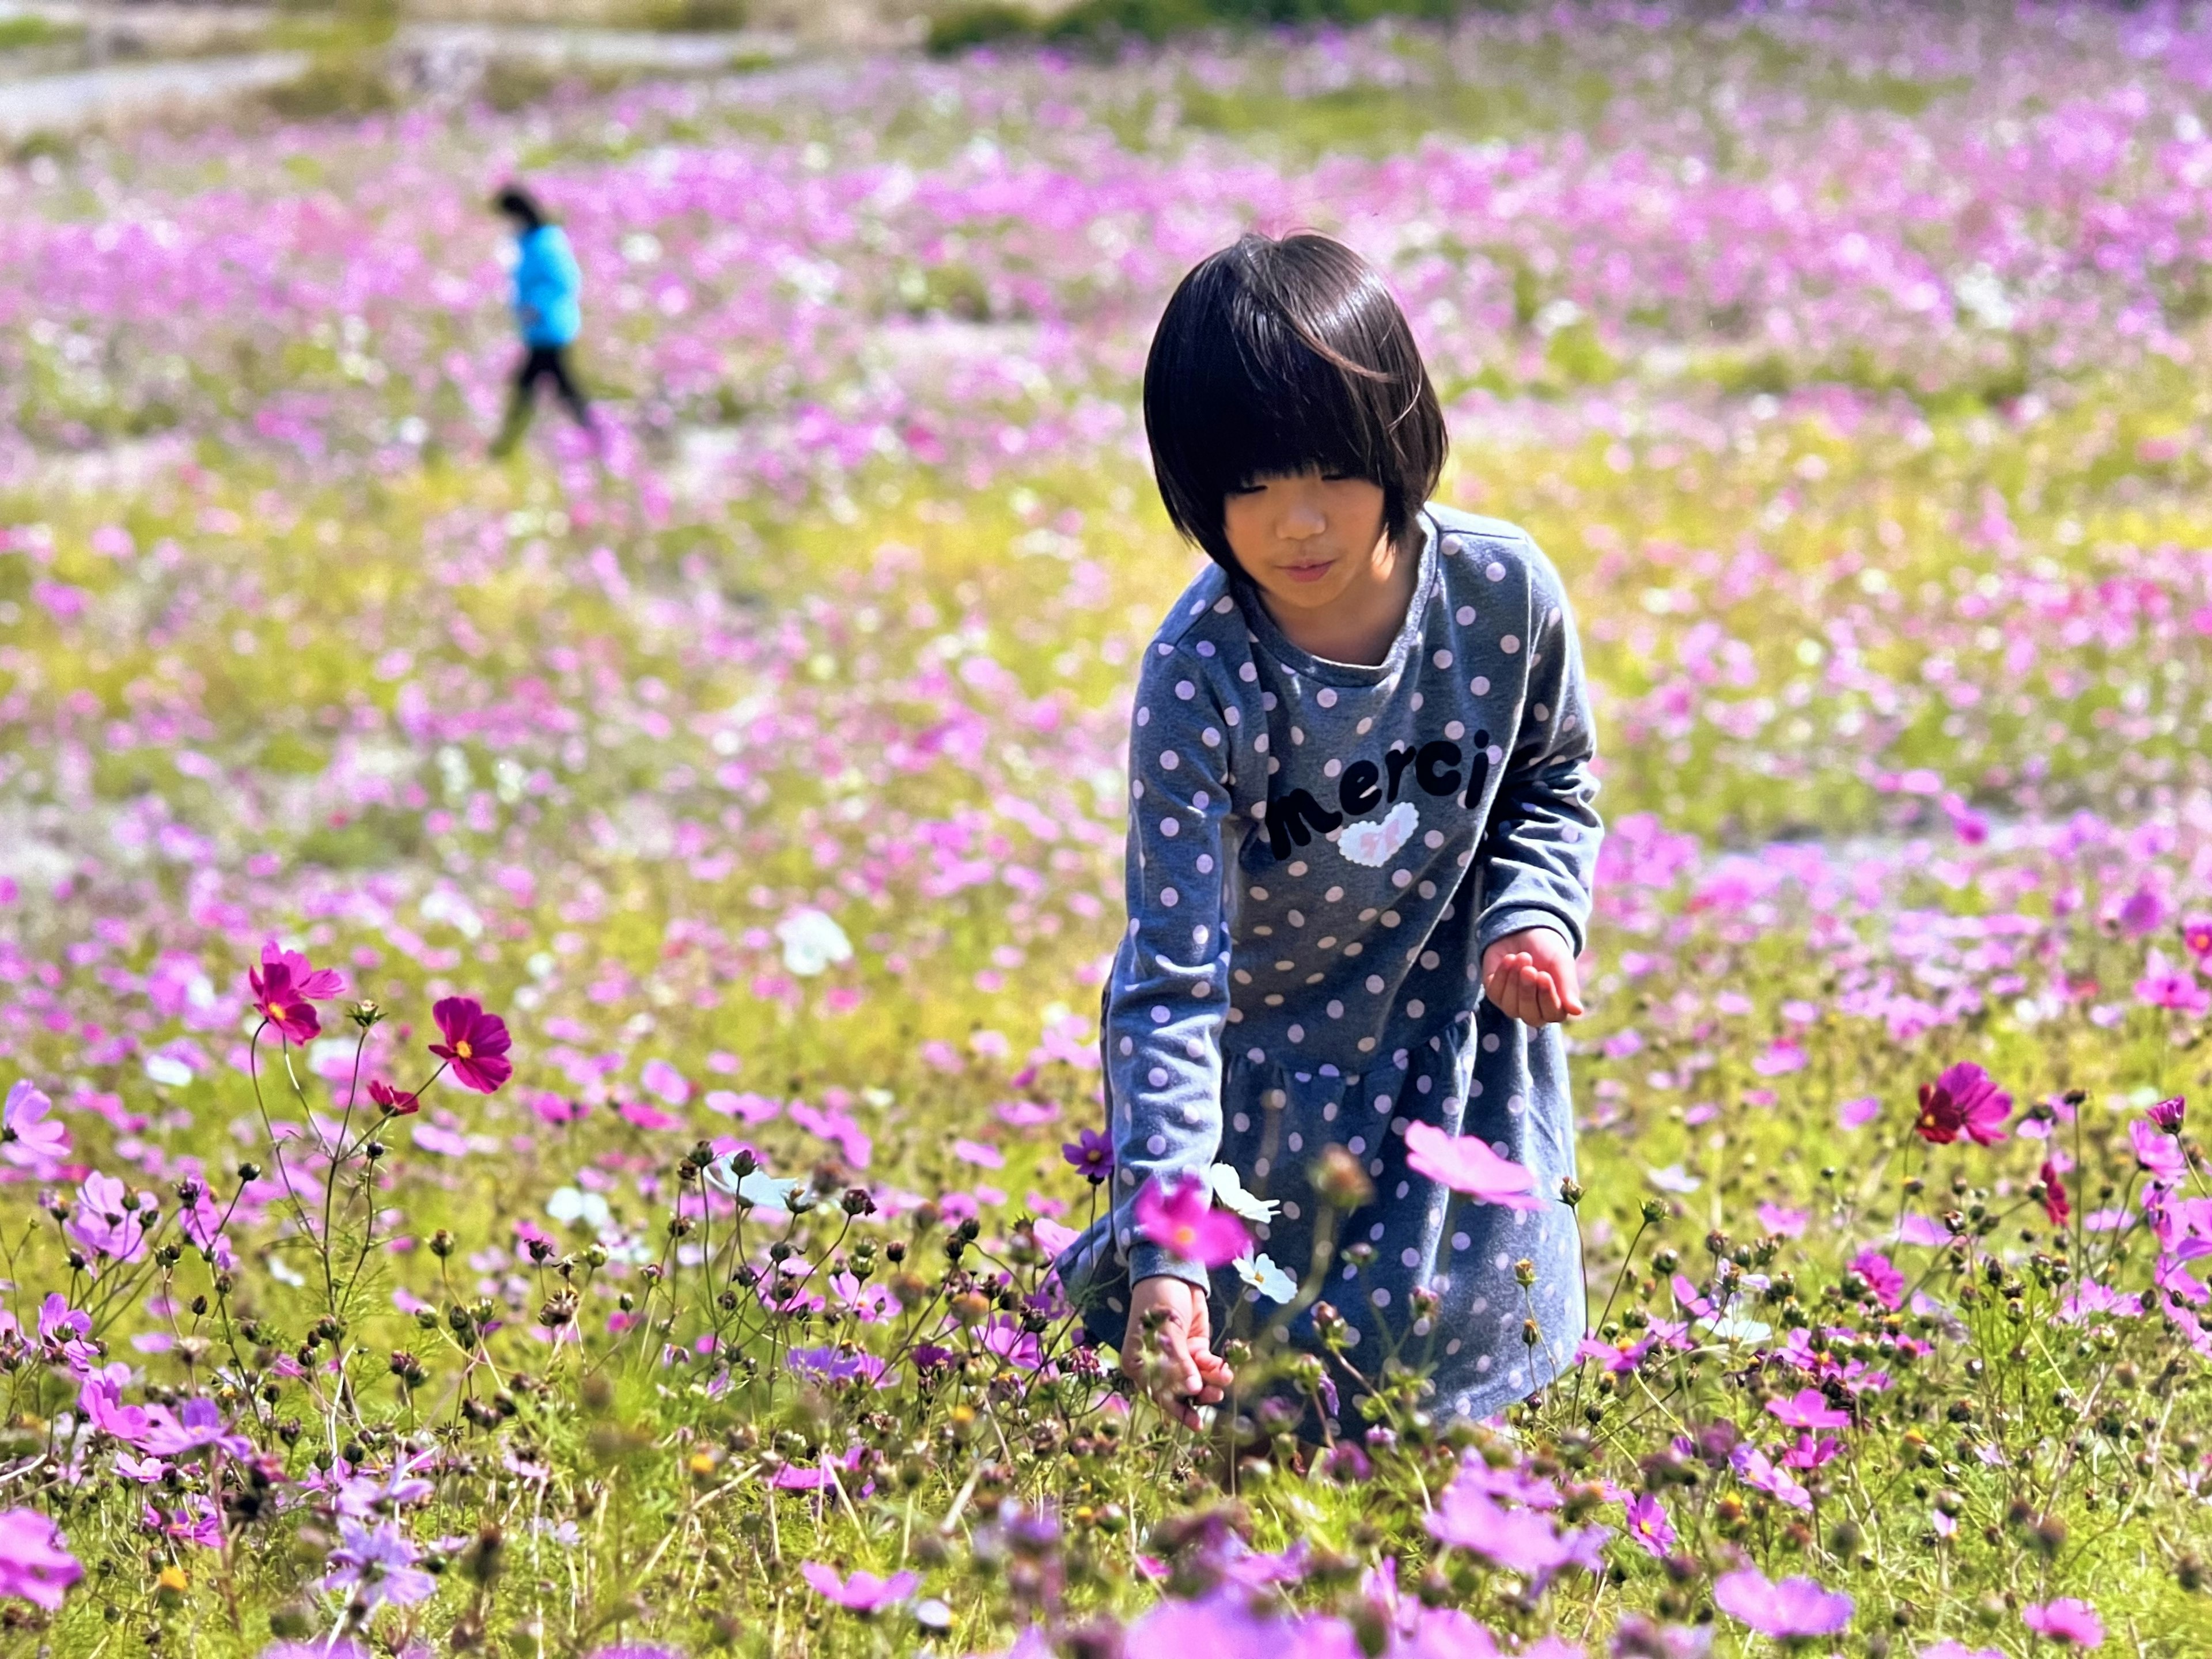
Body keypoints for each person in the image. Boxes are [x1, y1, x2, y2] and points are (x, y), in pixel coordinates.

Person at [1054, 232, 1603, 1434]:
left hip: (1458, 1038)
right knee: (1242, 1386)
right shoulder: (1202, 674)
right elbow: (1171, 981)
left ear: (1399, 438)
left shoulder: (1503, 597)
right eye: (1248, 486)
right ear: (1194, 487)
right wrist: (1166, 1251)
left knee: (1450, 1375)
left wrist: (1532, 914)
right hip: (1269, 1069)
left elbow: (1551, 780)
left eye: (1328, 472)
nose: (1296, 523)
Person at [491, 185, 594, 456]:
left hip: (551, 326)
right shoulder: (528, 241)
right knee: (560, 387)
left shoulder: (547, 242)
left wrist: (536, 305)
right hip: (538, 330)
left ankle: (504, 446)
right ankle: (594, 435)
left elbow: (564, 280)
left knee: (534, 386)